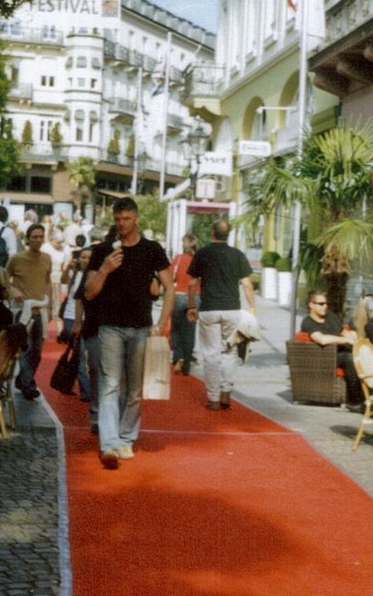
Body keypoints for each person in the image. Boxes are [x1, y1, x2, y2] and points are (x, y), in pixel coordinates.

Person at [84, 197, 173, 469]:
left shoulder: (151, 249)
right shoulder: (103, 251)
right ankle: (109, 444)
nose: (121, 224)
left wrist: (162, 323)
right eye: (118, 219)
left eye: (126, 219)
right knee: (110, 384)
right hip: (109, 326)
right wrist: (105, 269)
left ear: (136, 219)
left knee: (134, 389)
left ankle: (126, 437)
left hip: (141, 327)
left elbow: (170, 287)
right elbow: (88, 292)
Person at [186, 222, 254, 410]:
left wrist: (191, 306)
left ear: (212, 232)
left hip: (209, 309)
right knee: (230, 351)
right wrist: (252, 306)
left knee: (210, 353)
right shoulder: (238, 255)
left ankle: (213, 398)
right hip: (232, 309)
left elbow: (192, 283)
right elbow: (247, 283)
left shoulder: (203, 253)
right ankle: (226, 391)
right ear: (229, 234)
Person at [5, 224, 52, 400]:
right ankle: (27, 385)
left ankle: (23, 380)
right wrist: (13, 290)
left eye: (41, 236)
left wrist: (51, 305)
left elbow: (47, 281)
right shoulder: (16, 259)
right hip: (22, 311)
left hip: (40, 309)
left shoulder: (47, 258)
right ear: (28, 239)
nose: (38, 240)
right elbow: (4, 279)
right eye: (35, 237)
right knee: (26, 348)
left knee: (37, 352)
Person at [299, 289, 361, 405]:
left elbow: (342, 331)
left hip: (341, 351)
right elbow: (322, 340)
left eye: (326, 303)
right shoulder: (308, 322)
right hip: (326, 356)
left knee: (363, 354)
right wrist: (346, 340)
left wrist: (354, 338)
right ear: (311, 305)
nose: (325, 306)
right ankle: (356, 400)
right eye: (321, 304)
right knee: (349, 358)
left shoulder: (330, 316)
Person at [61, 247, 92, 400]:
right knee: (79, 353)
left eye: (88, 257)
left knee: (83, 354)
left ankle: (76, 384)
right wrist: (68, 267)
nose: (85, 260)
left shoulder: (95, 275)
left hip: (89, 319)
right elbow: (63, 280)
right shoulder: (75, 274)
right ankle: (87, 391)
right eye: (83, 257)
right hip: (71, 317)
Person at [169, 233, 198, 376]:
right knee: (189, 331)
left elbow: (169, 278)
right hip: (195, 297)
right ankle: (186, 364)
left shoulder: (178, 259)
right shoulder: (199, 260)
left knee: (176, 329)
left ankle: (177, 358)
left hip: (178, 296)